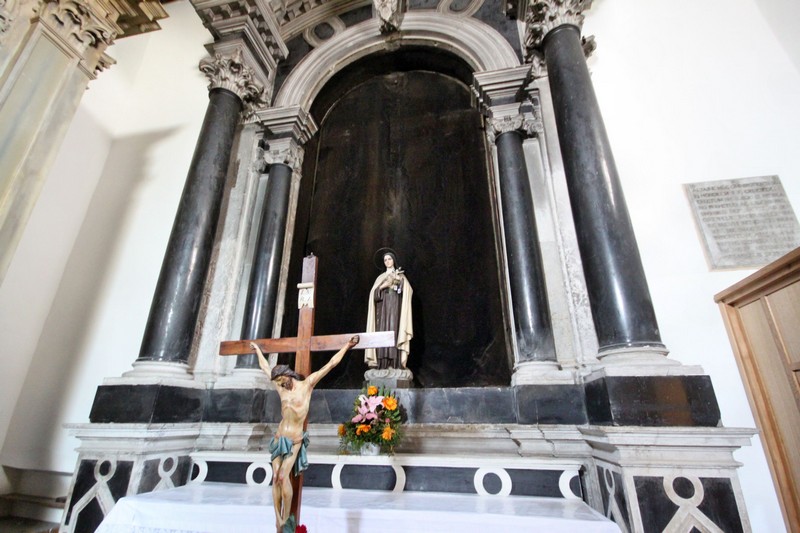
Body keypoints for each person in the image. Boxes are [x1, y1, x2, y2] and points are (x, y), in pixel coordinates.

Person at [251, 336, 359, 532]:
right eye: (278, 382)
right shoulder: (281, 389)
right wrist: (258, 350)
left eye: (282, 380)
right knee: (274, 477)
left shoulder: (307, 385)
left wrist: (347, 346)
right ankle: (278, 520)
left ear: (288, 374)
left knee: (283, 476)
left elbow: (330, 364)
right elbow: (265, 367)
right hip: (279, 438)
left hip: (294, 440)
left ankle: (286, 518)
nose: (281, 384)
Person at [365, 251, 413, 369]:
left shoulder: (400, 275)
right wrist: (384, 285)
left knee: (394, 329)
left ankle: (395, 363)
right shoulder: (380, 277)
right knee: (383, 330)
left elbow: (407, 291)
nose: (387, 261)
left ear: (393, 260)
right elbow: (373, 295)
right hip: (383, 307)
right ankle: (383, 363)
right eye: (385, 260)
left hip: (396, 306)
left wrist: (399, 281)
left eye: (389, 259)